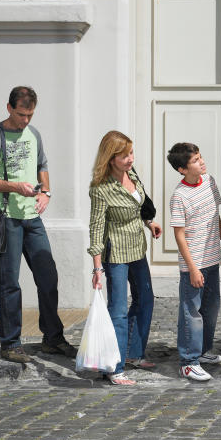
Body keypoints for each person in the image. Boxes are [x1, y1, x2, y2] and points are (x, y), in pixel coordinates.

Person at [0, 86, 76, 364]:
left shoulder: (34, 134)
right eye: (21, 114)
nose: (25, 120)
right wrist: (14, 187)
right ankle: (11, 343)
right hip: (6, 217)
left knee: (48, 278)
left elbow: (43, 165)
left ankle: (52, 339)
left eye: (30, 114)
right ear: (9, 108)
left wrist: (46, 193)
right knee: (9, 282)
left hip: (33, 218)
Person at [88, 131, 162, 386]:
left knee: (145, 299)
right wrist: (97, 268)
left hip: (137, 249)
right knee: (118, 310)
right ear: (110, 158)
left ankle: (133, 353)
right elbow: (96, 228)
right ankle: (114, 368)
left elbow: (137, 204)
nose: (131, 159)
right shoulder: (100, 189)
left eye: (131, 153)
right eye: (124, 155)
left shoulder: (131, 175)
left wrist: (148, 222)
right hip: (116, 254)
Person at [167, 142, 221, 383]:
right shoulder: (179, 196)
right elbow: (179, 235)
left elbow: (215, 215)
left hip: (212, 258)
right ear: (182, 169)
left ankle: (203, 352)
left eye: (200, 157)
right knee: (191, 313)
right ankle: (188, 361)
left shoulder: (209, 181)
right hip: (193, 265)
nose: (201, 162)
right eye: (195, 160)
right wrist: (192, 268)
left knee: (211, 308)